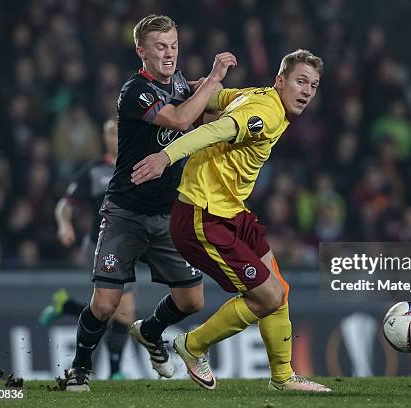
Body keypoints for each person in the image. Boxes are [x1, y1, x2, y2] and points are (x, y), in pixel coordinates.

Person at [131, 49, 331, 392]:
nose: (306, 92)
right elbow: (215, 130)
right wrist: (166, 156)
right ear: (280, 81)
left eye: (312, 85)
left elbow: (213, 98)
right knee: (267, 297)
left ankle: (283, 378)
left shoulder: (258, 94)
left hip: (231, 209)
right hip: (202, 215)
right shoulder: (265, 114)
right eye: (300, 82)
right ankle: (192, 345)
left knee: (279, 289)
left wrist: (190, 84)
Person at [66, 14, 237, 391]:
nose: (169, 53)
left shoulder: (177, 81)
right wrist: (213, 79)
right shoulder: (134, 91)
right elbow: (178, 120)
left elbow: (198, 113)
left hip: (168, 211)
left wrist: (234, 109)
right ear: (141, 51)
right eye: (160, 47)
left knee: (192, 301)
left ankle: (151, 331)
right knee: (107, 303)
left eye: (174, 45)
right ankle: (79, 368)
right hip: (126, 212)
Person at [40, 119, 134, 380]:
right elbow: (65, 204)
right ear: (104, 138)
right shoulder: (94, 171)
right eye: (111, 133)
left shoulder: (137, 165)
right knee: (120, 308)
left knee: (111, 308)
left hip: (127, 246)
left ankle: (66, 306)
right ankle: (115, 373)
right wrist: (64, 224)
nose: (116, 137)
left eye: (119, 132)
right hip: (100, 244)